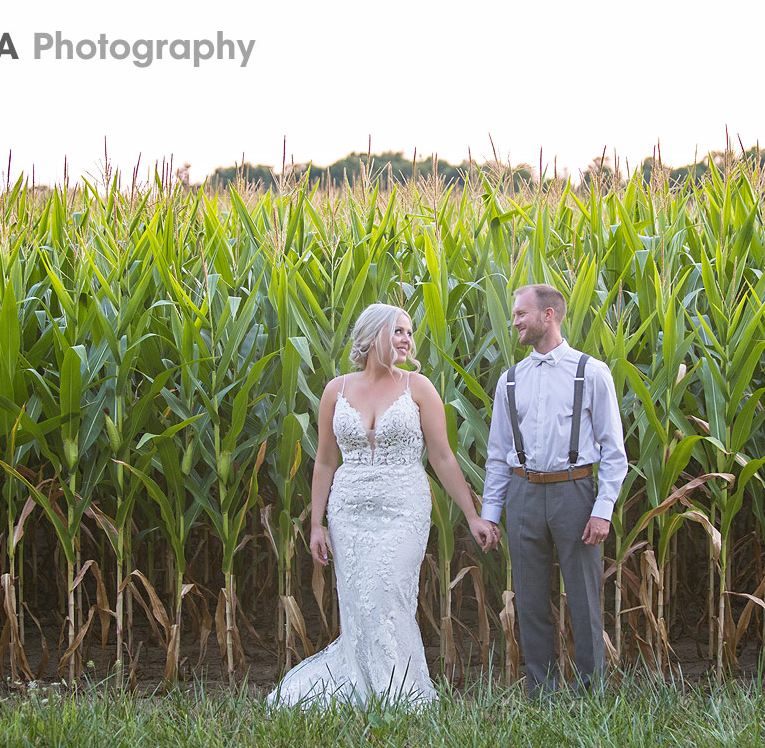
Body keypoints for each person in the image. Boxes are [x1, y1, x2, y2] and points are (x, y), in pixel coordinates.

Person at [268, 303, 497, 707]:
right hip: (349, 510)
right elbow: (325, 460)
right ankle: (364, 686)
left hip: (403, 508)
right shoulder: (336, 390)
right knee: (358, 602)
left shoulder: (418, 388)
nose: (408, 340)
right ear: (374, 336)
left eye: (409, 332)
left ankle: (400, 690)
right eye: (399, 331)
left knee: (387, 594)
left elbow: (443, 456)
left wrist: (471, 515)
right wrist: (317, 524)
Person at [480, 284, 628, 696]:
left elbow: (615, 451)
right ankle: (541, 692)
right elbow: (498, 455)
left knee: (584, 598)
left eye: (520, 314)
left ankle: (591, 692)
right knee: (529, 600)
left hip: (575, 493)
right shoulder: (510, 380)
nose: (514, 322)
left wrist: (602, 510)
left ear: (548, 316)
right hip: (523, 494)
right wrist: (491, 514)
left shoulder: (591, 372)